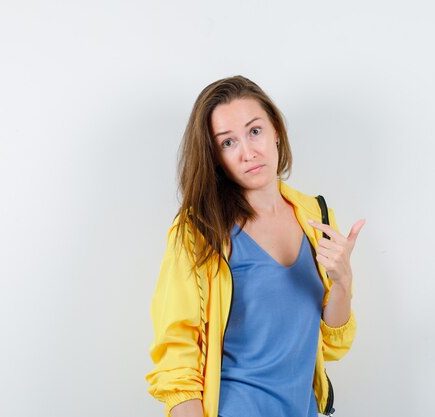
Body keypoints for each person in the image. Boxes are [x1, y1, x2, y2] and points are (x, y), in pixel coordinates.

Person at [145, 75, 364, 417]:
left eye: (254, 131)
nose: (248, 152)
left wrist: (343, 282)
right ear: (215, 157)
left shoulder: (316, 215)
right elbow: (178, 355)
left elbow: (332, 344)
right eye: (228, 143)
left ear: (275, 129)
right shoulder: (199, 230)